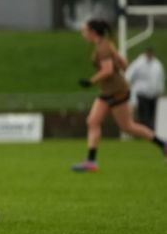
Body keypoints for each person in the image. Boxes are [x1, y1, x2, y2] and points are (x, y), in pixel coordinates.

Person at [72, 19, 167, 172]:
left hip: (117, 92)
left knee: (127, 127)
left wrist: (91, 81)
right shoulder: (107, 44)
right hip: (108, 91)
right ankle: (91, 161)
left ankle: (163, 144)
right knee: (92, 121)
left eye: (84, 31)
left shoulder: (103, 48)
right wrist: (119, 70)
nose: (83, 35)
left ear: (93, 32)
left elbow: (108, 70)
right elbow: (124, 63)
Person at [124, 46, 164, 130]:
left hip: (153, 95)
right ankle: (148, 133)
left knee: (151, 115)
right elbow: (128, 76)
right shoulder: (138, 63)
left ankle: (150, 132)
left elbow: (160, 79)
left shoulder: (157, 64)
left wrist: (160, 92)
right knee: (144, 116)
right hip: (141, 94)